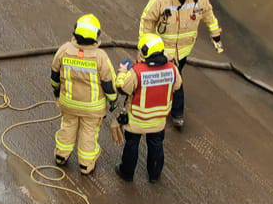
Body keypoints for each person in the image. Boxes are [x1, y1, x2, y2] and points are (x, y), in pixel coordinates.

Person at [138, 0, 222, 130]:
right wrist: (144, 48)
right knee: (175, 79)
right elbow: (147, 21)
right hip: (163, 50)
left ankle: (162, 108)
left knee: (170, 78)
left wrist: (215, 34)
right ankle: (177, 114)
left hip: (184, 50)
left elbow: (209, 15)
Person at [49, 14, 118, 174]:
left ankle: (61, 156)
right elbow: (109, 84)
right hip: (92, 108)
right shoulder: (100, 57)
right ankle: (86, 165)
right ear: (96, 36)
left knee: (67, 127)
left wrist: (57, 93)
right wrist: (113, 101)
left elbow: (54, 75)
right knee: (89, 133)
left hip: (69, 102)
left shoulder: (64, 50)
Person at [115, 33, 177, 182]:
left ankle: (127, 173)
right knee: (156, 146)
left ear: (144, 52)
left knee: (132, 145)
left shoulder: (137, 72)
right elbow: (177, 85)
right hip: (158, 120)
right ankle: (154, 175)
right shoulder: (172, 69)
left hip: (137, 119)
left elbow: (123, 88)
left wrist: (123, 73)